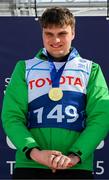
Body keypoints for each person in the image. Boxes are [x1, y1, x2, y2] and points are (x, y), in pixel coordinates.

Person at [1, 6, 109, 179]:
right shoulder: (24, 68)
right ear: (42, 34)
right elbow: (12, 117)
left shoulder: (91, 69)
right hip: (30, 164)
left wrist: (75, 156)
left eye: (62, 33)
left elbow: (101, 118)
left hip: (75, 166)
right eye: (49, 34)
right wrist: (36, 154)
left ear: (73, 33)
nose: (56, 40)